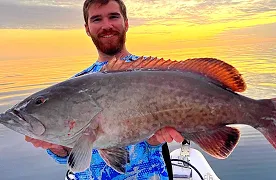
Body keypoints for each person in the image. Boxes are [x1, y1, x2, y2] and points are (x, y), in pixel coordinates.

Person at [25, 0, 184, 179]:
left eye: (113, 16)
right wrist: (58, 148)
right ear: (87, 28)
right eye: (97, 19)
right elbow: (73, 155)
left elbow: (153, 142)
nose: (106, 25)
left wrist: (154, 140)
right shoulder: (73, 86)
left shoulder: (156, 74)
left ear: (126, 22)